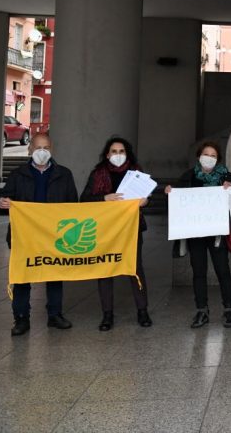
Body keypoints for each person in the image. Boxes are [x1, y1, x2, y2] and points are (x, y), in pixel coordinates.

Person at [0, 133, 77, 336]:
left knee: (54, 274)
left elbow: (74, 206)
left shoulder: (64, 174)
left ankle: (55, 315)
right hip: (24, 236)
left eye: (46, 148)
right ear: (30, 149)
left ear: (52, 150)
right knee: (23, 277)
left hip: (54, 236)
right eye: (38, 147)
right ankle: (21, 319)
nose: (42, 152)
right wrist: (2, 203)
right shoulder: (18, 175)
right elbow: (4, 199)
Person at [81, 137, 152, 331]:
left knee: (135, 268)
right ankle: (107, 314)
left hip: (131, 227)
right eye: (114, 151)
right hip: (105, 229)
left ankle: (142, 310)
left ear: (127, 154)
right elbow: (84, 199)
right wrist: (104, 198)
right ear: (107, 154)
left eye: (121, 151)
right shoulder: (98, 174)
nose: (118, 155)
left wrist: (145, 202)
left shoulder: (136, 173)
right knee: (105, 269)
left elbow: (147, 197)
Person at [165, 141, 231, 328]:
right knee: (199, 272)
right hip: (195, 234)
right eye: (206, 154)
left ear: (218, 159)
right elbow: (177, 197)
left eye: (213, 156)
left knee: (223, 270)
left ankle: (228, 309)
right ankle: (201, 311)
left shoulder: (225, 176)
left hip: (217, 234)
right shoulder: (188, 176)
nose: (209, 158)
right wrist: (170, 193)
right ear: (199, 157)